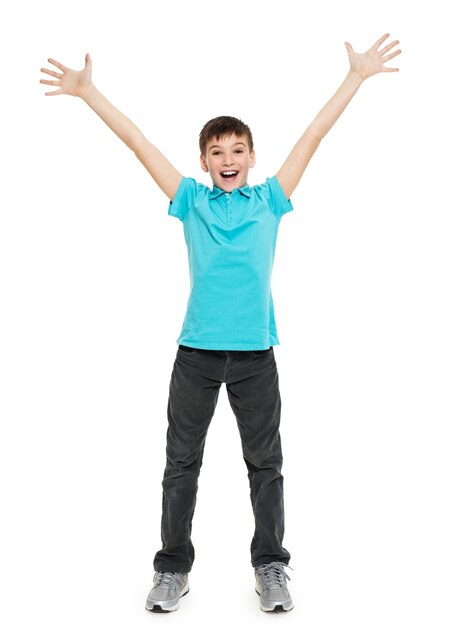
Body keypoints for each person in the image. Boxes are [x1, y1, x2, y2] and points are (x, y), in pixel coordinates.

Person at [39, 32, 401, 613]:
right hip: (197, 355)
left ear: (251, 157)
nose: (228, 160)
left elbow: (314, 134)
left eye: (238, 150)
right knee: (181, 463)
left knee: (266, 464)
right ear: (203, 161)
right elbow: (137, 142)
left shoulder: (270, 201)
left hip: (256, 355)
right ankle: (172, 569)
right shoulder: (192, 201)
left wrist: (354, 78)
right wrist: (89, 93)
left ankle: (271, 567)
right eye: (217, 152)